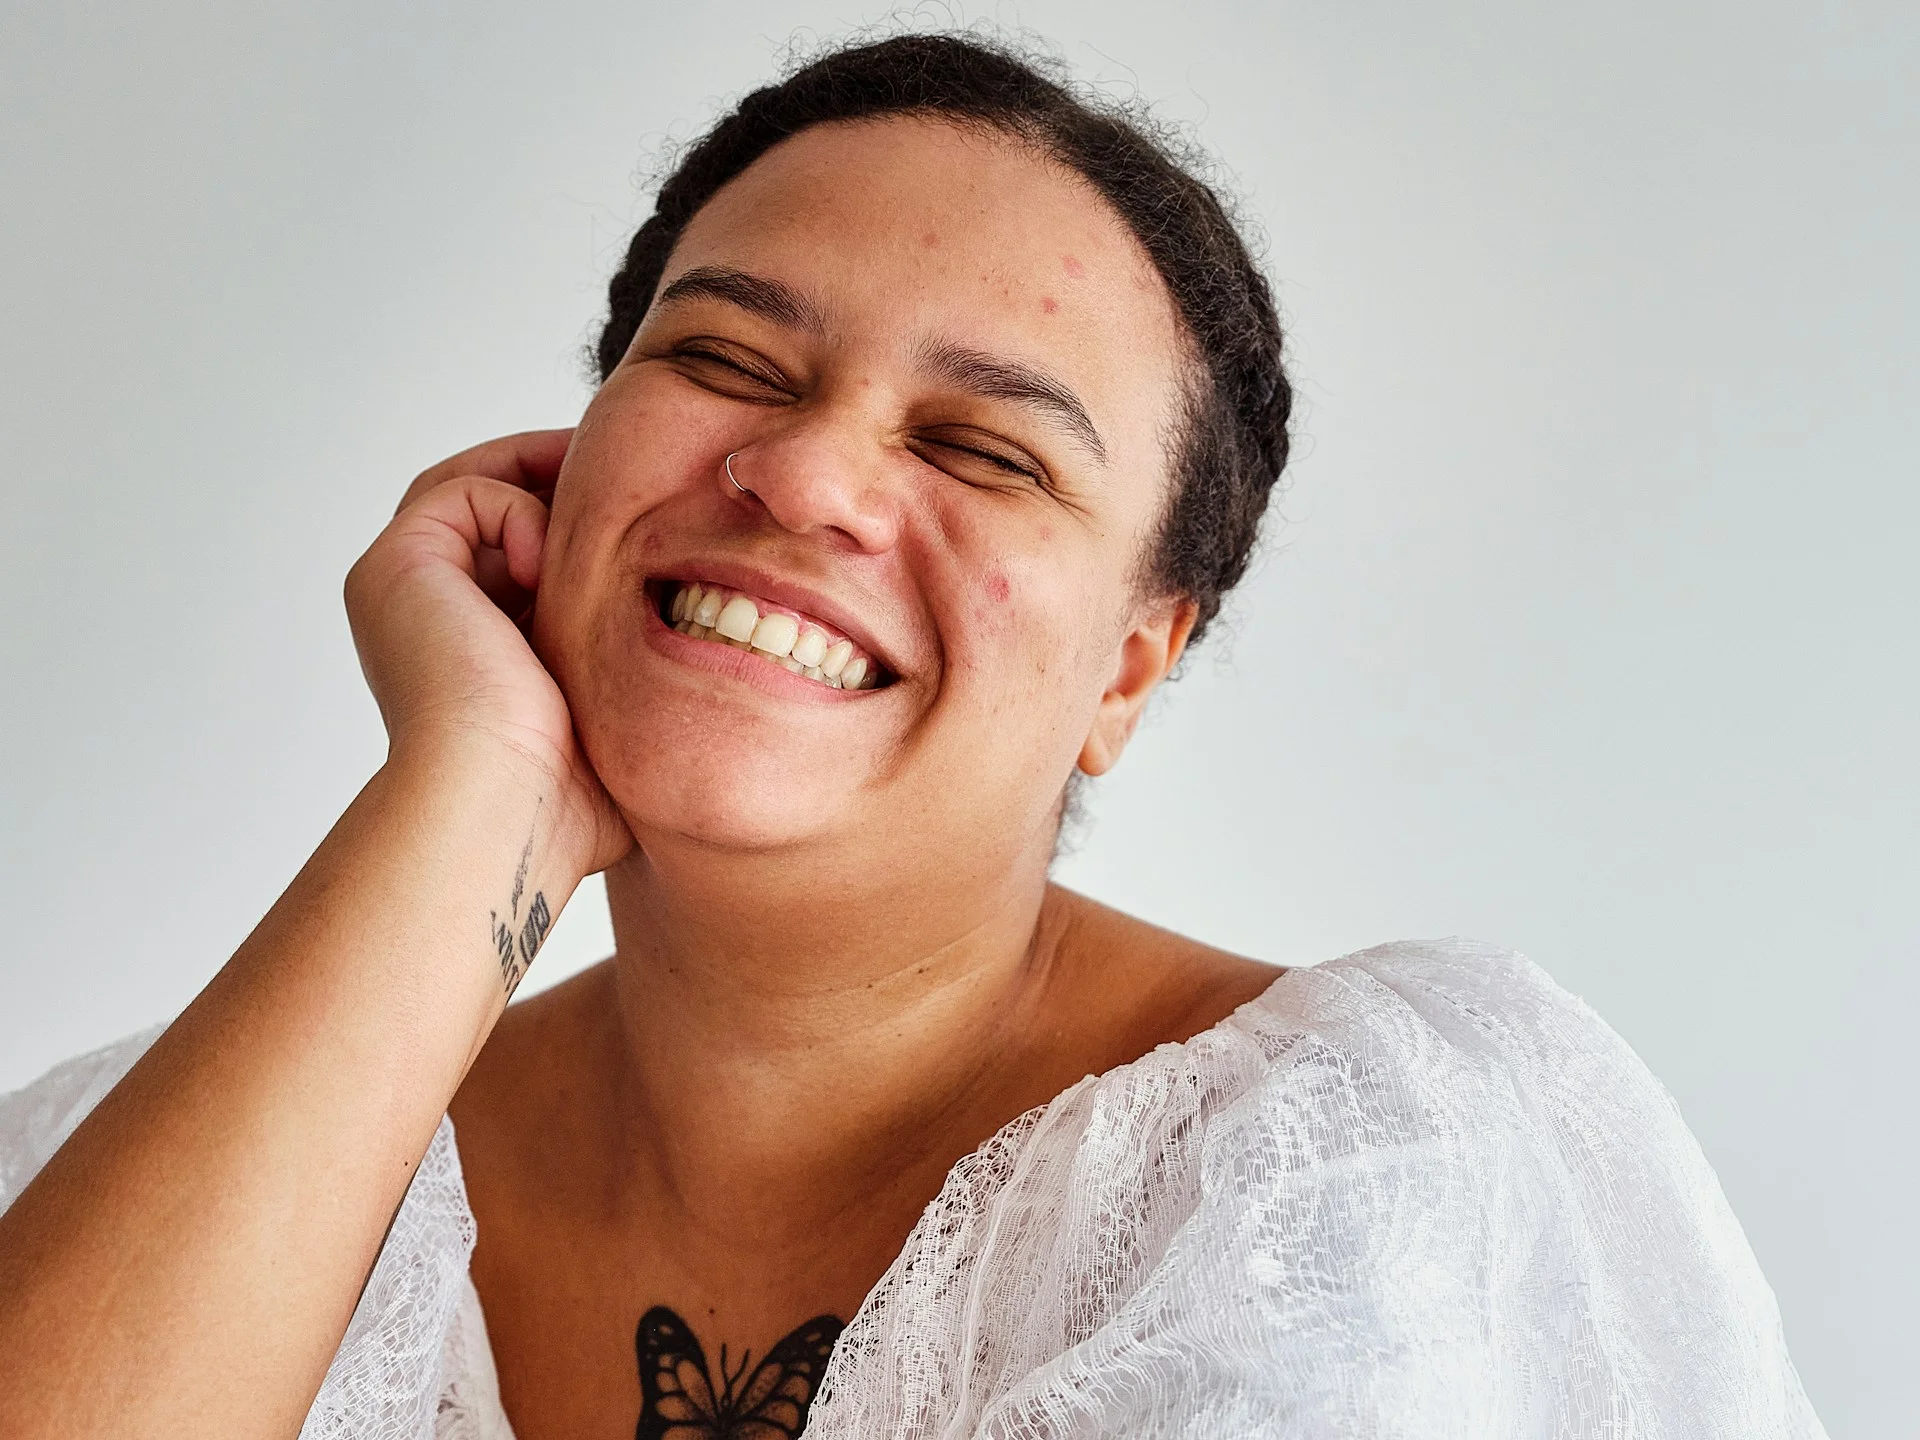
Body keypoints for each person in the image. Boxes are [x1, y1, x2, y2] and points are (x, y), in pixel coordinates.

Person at [0, 32, 1823, 1440]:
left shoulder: (1367, 1165)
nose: (801, 475)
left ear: (1129, 669)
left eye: (984, 448)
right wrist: (473, 791)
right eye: (724, 359)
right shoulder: (137, 1158)